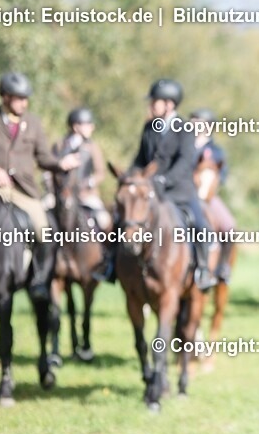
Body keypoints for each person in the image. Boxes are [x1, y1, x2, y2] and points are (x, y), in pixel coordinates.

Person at [0, 72, 81, 297]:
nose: (24, 103)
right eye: (19, 98)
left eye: (26, 98)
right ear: (5, 97)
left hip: (22, 191)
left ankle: (38, 280)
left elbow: (43, 157)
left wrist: (60, 163)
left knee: (44, 230)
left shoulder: (33, 123)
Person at [94, 79, 217, 291]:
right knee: (121, 219)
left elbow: (185, 162)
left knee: (200, 225)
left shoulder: (186, 128)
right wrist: (130, 178)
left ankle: (203, 271)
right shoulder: (149, 127)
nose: (150, 105)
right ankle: (110, 264)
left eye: (154, 101)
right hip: (148, 191)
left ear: (169, 104)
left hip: (178, 192)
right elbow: (140, 159)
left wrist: (164, 179)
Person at [191, 107, 237, 283]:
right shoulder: (184, 145)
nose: (193, 124)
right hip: (186, 194)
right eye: (192, 121)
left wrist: (211, 182)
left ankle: (223, 267)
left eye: (198, 122)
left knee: (229, 226)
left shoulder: (216, 151)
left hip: (209, 197)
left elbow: (223, 174)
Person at [52, 108, 112, 231]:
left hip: (86, 195)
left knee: (104, 220)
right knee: (42, 214)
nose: (92, 127)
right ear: (76, 127)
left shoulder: (92, 147)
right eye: (88, 124)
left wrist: (89, 182)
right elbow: (50, 167)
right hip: (60, 193)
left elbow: (100, 172)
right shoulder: (59, 145)